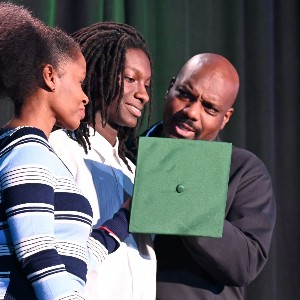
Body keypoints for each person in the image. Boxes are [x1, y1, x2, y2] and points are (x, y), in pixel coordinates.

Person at [0, 4, 130, 299]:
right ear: (50, 76)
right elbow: (38, 255)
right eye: (80, 82)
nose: (85, 96)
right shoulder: (28, 153)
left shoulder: (32, 152)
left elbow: (73, 258)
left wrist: (125, 219)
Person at [141, 53, 276, 299]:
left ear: (225, 118)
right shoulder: (124, 153)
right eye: (185, 95)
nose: (192, 112)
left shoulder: (243, 170)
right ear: (170, 88)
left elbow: (244, 263)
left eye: (209, 107)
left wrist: (180, 191)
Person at [49, 22, 156, 299]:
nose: (143, 94)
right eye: (130, 79)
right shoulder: (61, 149)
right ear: (99, 75)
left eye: (147, 84)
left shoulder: (134, 170)